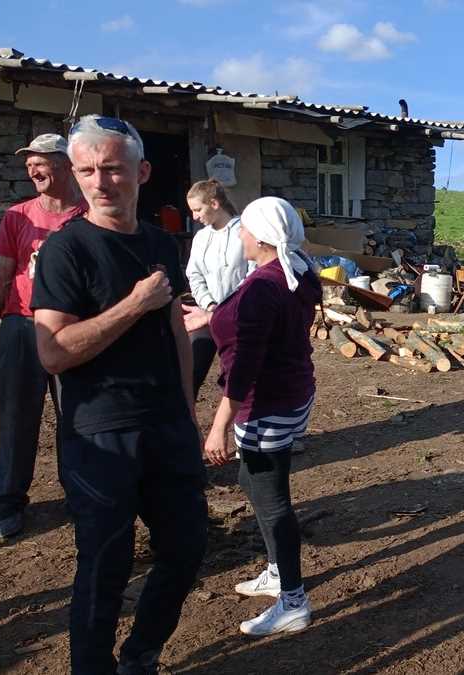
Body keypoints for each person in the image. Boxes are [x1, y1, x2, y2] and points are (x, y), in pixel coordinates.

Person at [30, 115, 207, 674]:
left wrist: (186, 408)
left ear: (143, 171)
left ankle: (140, 655)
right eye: (87, 171)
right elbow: (53, 352)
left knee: (185, 549)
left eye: (112, 169)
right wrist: (134, 304)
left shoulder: (160, 241)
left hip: (166, 426)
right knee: (105, 565)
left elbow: (177, 328)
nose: (100, 182)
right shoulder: (67, 250)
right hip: (99, 434)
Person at [203, 196, 320, 636]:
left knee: (272, 504)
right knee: (251, 481)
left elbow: (243, 367)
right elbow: (255, 328)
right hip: (291, 393)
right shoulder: (295, 272)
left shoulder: (263, 287)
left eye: (244, 229)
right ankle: (276, 572)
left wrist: (218, 428)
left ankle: (293, 601)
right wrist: (213, 317)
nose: (240, 235)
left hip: (266, 404)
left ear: (260, 236)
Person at [0, 133, 87, 539]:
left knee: (74, 415)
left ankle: (78, 494)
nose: (32, 171)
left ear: (65, 164)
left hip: (72, 328)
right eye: (28, 166)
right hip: (21, 327)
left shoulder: (89, 214)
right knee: (16, 418)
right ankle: (8, 501)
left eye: (40, 162)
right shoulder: (17, 217)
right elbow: (1, 275)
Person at [183, 178, 247, 398]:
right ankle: (188, 427)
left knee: (234, 378)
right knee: (189, 374)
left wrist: (225, 311)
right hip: (208, 313)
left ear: (214, 204)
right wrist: (209, 304)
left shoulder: (245, 232)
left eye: (198, 209)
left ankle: (237, 427)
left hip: (240, 318)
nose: (194, 216)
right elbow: (194, 274)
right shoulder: (201, 238)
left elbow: (253, 277)